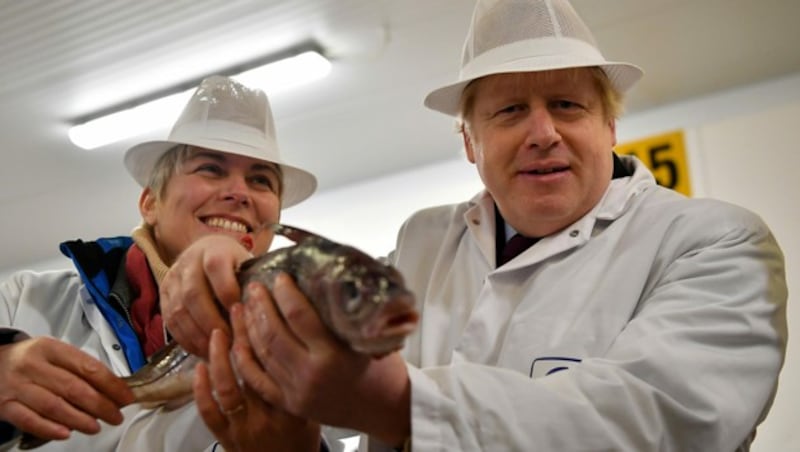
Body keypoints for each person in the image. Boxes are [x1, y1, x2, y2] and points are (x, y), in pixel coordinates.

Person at [160, 0, 789, 450]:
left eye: (567, 104)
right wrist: (223, 267)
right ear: (470, 141)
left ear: (609, 126)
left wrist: (403, 404)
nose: (543, 133)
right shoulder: (423, 243)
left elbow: (660, 424)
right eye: (510, 110)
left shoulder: (714, 242)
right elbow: (318, 397)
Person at [0, 75, 324, 451]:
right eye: (211, 169)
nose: (239, 193)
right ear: (150, 203)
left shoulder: (304, 346)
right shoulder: (25, 300)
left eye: (261, 180)